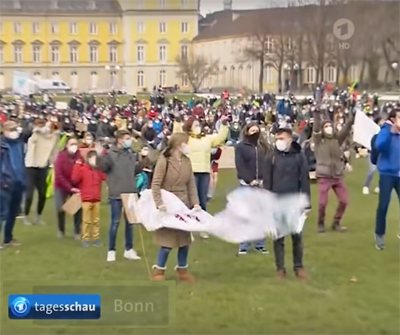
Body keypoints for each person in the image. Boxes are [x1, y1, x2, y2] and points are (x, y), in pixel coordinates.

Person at [151, 133, 200, 282]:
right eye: (186, 143)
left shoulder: (187, 161)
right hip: (168, 203)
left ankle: (182, 269)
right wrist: (159, 203)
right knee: (167, 242)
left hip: (183, 204)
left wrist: (195, 203)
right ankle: (159, 270)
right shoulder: (164, 160)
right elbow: (156, 184)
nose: (188, 146)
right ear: (179, 144)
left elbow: (191, 183)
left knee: (184, 241)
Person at [263, 127, 310, 279]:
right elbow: (267, 181)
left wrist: (306, 204)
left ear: (290, 139)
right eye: (277, 138)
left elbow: (305, 180)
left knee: (297, 236)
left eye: (282, 138)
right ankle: (280, 269)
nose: (279, 141)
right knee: (278, 237)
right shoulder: (272, 156)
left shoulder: (299, 156)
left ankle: (299, 267)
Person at [97, 129, 142, 262]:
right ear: (120, 140)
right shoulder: (111, 154)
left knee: (130, 223)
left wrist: (142, 159)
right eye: (127, 138)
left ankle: (129, 249)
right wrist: (100, 155)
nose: (129, 141)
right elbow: (104, 168)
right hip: (116, 192)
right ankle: (111, 250)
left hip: (130, 191)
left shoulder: (131, 154)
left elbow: (136, 169)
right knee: (115, 222)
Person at [313, 108, 354, 232]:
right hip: (324, 175)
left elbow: (346, 128)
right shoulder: (319, 141)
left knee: (344, 201)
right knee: (322, 203)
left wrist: (352, 118)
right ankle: (320, 223)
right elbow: (315, 129)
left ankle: (336, 222)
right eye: (326, 126)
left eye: (330, 126)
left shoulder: (338, 139)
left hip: (337, 175)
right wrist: (316, 115)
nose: (328, 128)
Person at [235, 123, 268, 254]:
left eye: (257, 130)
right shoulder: (241, 147)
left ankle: (260, 244)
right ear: (247, 132)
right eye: (252, 130)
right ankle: (244, 245)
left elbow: (268, 163)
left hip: (262, 185)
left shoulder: (263, 147)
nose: (255, 133)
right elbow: (240, 165)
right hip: (247, 185)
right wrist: (250, 180)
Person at [23, 118, 59, 225]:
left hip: (43, 166)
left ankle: (38, 216)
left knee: (42, 193)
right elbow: (31, 142)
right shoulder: (37, 133)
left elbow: (54, 150)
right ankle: (26, 215)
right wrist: (37, 131)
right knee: (29, 194)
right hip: (31, 166)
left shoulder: (54, 137)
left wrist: (53, 162)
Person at [374, 109, 400, 250]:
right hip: (387, 174)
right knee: (383, 205)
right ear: (393, 119)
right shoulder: (385, 130)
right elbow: (379, 146)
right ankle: (379, 235)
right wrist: (391, 133)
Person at [71, 150, 106, 247]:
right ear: (89, 159)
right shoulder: (83, 169)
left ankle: (96, 238)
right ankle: (85, 239)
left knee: (96, 220)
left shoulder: (98, 170)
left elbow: (104, 177)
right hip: (86, 199)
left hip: (96, 198)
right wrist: (77, 165)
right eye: (93, 158)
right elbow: (75, 178)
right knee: (86, 220)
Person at [0, 121, 26, 248]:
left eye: (15, 129)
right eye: (11, 129)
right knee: (2, 213)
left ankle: (8, 238)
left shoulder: (20, 145)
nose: (14, 132)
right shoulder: (2, 146)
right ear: (5, 131)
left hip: (19, 183)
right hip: (4, 184)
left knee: (12, 212)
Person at [54, 137, 82, 239]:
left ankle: (77, 231)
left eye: (75, 143)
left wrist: (78, 188)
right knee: (60, 207)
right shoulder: (61, 157)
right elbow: (59, 175)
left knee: (78, 208)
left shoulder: (80, 157)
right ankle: (61, 230)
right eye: (71, 144)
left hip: (75, 185)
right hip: (61, 185)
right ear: (66, 145)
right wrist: (70, 188)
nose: (74, 146)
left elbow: (81, 172)